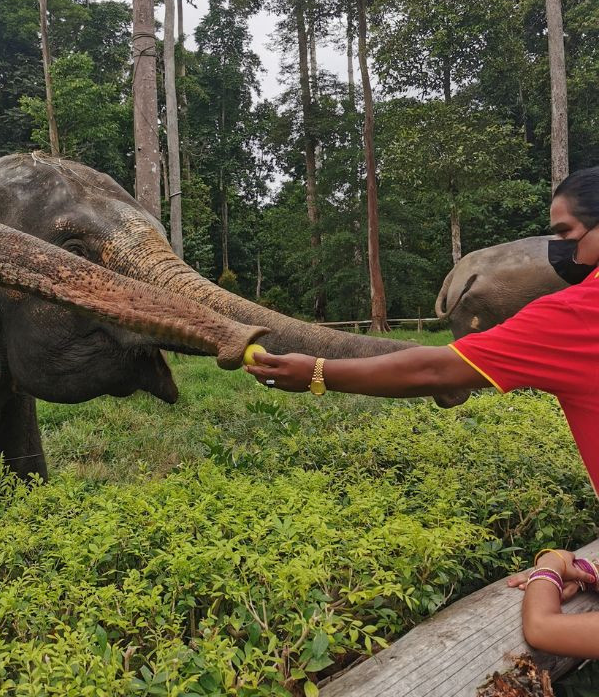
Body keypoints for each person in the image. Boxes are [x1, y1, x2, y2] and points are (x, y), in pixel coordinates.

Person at [244, 167, 599, 657]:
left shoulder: (579, 311)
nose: (563, 252)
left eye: (566, 235)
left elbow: (435, 370)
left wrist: (550, 564)